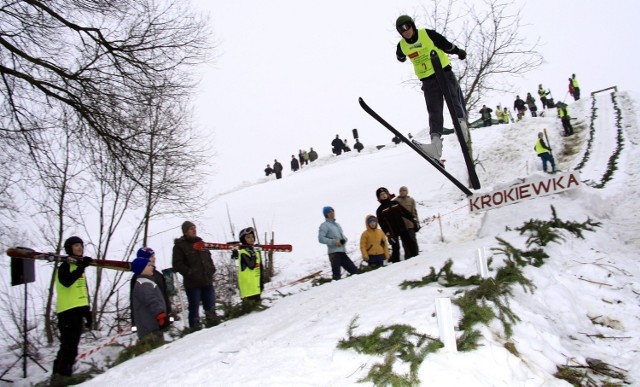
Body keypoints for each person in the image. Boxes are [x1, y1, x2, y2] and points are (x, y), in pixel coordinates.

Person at [395, 15, 468, 162]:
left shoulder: (426, 34)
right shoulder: (402, 45)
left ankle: (461, 126)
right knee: (434, 111)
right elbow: (399, 56)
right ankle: (435, 145)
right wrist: (401, 58)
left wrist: (458, 51)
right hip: (428, 81)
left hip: (443, 73)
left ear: (412, 26)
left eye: (407, 27)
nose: (406, 32)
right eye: (401, 30)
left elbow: (445, 44)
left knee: (454, 99)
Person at [51, 236, 92, 386]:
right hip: (67, 312)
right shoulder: (65, 266)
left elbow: (82, 291)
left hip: (77, 312)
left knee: (72, 347)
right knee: (68, 347)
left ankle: (63, 376)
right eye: (76, 245)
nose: (80, 247)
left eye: (81, 245)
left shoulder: (78, 267)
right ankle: (60, 377)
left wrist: (87, 313)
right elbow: (67, 282)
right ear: (69, 248)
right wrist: (82, 267)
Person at [172, 221, 217, 330]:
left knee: (210, 306)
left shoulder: (201, 243)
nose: (194, 230)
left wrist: (211, 269)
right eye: (191, 228)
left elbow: (208, 258)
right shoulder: (180, 246)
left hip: (206, 280)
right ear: (185, 231)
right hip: (193, 283)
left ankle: (213, 324)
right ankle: (195, 328)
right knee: (194, 308)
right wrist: (190, 272)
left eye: (195, 228)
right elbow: (177, 264)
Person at [130, 247, 172, 334]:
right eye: (151, 256)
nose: (154, 258)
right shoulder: (140, 280)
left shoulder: (157, 275)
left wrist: (167, 312)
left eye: (154, 256)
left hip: (159, 317)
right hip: (149, 321)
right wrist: (160, 314)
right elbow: (149, 299)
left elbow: (163, 295)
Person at [130, 255, 168, 350]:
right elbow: (151, 300)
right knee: (155, 349)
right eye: (149, 265)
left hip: (153, 325)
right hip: (149, 327)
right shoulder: (143, 284)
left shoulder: (147, 281)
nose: (152, 267)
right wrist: (160, 314)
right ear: (142, 269)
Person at [375, 187, 419, 263]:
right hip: (392, 232)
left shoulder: (395, 203)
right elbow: (382, 224)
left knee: (410, 243)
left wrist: (413, 219)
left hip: (402, 228)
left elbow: (404, 212)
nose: (384, 195)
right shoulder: (380, 210)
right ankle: (396, 264)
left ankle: (416, 258)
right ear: (379, 198)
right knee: (396, 248)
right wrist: (388, 234)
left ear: (387, 194)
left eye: (385, 193)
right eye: (381, 195)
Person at [318, 206, 359, 280]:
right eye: (329, 212)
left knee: (354, 271)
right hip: (334, 253)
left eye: (333, 211)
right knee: (337, 276)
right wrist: (334, 242)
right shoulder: (324, 225)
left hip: (342, 252)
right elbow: (321, 239)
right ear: (326, 214)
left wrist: (344, 240)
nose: (332, 213)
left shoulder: (337, 225)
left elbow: (343, 237)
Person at [235, 227, 264, 303]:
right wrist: (253, 254)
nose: (251, 239)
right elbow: (251, 265)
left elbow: (260, 268)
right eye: (248, 237)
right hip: (248, 291)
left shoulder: (256, 252)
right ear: (243, 239)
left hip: (256, 288)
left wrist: (261, 282)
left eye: (252, 236)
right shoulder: (243, 252)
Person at [394, 186, 420, 255]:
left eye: (404, 190)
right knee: (405, 243)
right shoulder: (396, 201)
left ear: (407, 191)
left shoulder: (411, 200)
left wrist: (416, 222)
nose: (402, 192)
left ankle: (416, 255)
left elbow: (414, 212)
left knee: (413, 240)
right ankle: (408, 257)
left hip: (410, 225)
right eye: (400, 191)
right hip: (402, 226)